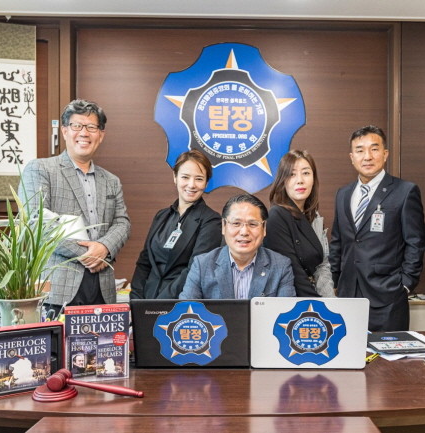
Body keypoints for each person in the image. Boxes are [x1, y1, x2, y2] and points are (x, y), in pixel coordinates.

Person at [21, 99, 131, 309]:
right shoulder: (41, 169)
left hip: (102, 288)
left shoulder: (111, 180)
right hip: (56, 288)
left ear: (101, 135)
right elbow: (36, 223)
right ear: (64, 131)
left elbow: (122, 223)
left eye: (91, 127)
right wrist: (89, 254)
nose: (84, 133)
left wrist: (104, 247)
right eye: (77, 126)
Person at [329, 125, 425, 332]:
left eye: (374, 149)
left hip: (388, 297)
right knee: (348, 350)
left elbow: (416, 242)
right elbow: (338, 241)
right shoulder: (343, 194)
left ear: (385, 154)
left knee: (386, 353)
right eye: (360, 150)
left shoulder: (404, 191)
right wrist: (335, 281)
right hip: (348, 295)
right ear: (352, 157)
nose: (367, 156)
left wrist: (405, 284)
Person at [130, 150, 222, 299]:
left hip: (179, 301)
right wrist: (136, 298)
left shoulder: (211, 221)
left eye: (199, 179)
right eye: (185, 177)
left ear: (206, 183)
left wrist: (160, 303)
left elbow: (194, 270)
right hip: (146, 298)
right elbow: (144, 262)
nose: (191, 185)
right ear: (175, 177)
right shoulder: (161, 216)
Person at [179, 194, 296, 299]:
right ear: (224, 226)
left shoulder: (281, 266)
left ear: (264, 228)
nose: (244, 232)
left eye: (253, 224)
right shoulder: (202, 265)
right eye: (236, 223)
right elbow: (187, 311)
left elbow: (284, 313)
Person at [264, 150, 334, 297]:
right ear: (283, 180)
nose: (300, 180)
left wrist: (330, 301)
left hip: (314, 296)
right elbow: (292, 271)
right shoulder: (277, 216)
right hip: (291, 300)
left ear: (314, 178)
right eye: (292, 174)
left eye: (306, 173)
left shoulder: (314, 216)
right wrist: (317, 304)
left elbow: (322, 265)